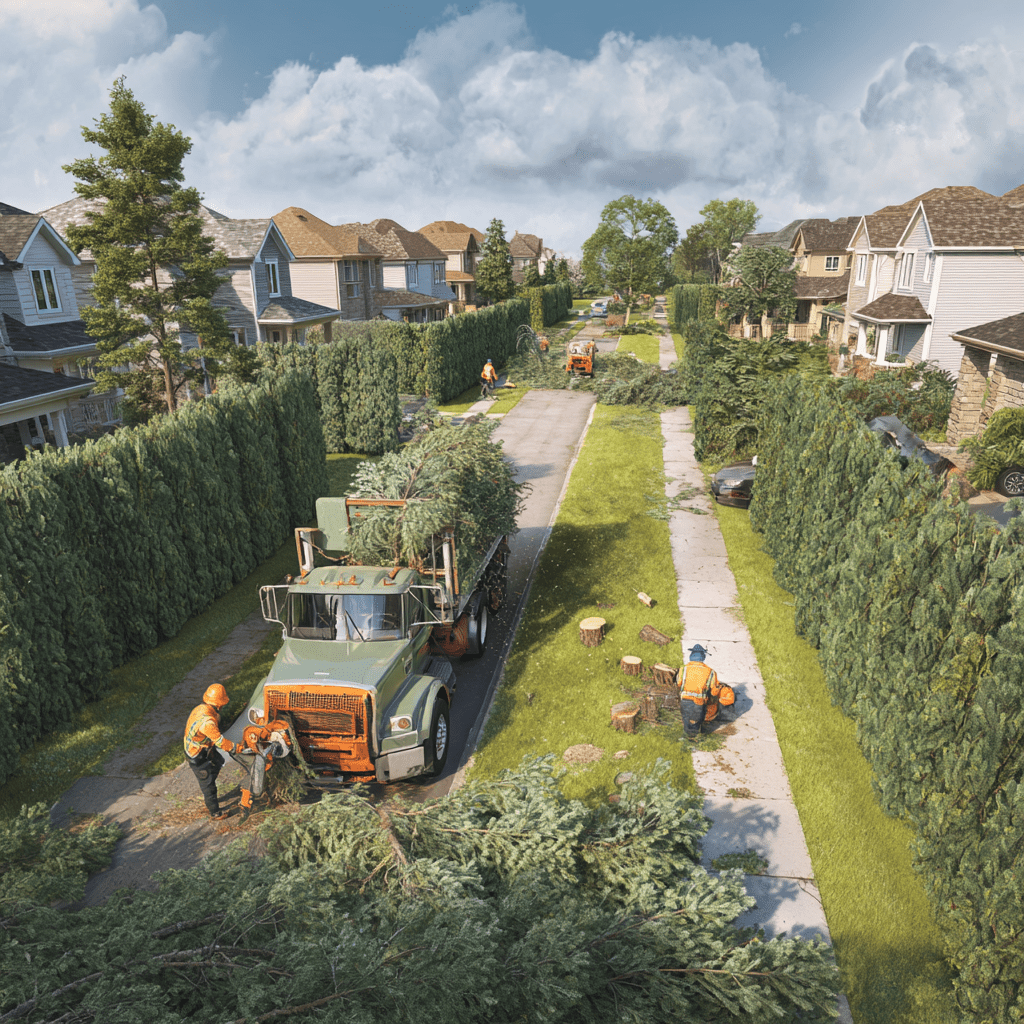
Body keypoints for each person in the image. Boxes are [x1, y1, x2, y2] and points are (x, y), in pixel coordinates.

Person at [184, 683, 238, 820]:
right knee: (208, 785)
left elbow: (215, 721)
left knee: (218, 761)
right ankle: (215, 812)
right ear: (219, 705)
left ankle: (209, 781)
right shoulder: (207, 723)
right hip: (196, 754)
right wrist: (237, 748)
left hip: (204, 746)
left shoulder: (202, 708)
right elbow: (221, 742)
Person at [678, 644, 735, 739]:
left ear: (691, 656)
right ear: (703, 657)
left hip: (684, 700)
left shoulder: (683, 669)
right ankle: (693, 740)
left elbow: (679, 683)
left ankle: (686, 738)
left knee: (686, 720)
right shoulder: (710, 672)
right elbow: (714, 692)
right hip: (699, 702)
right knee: (695, 722)